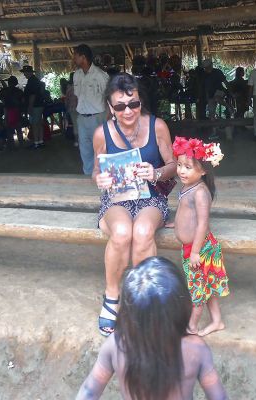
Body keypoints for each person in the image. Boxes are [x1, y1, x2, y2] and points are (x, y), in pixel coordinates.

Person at [76, 256, 229, 400]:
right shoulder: (195, 349)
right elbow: (219, 397)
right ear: (182, 306)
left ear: (128, 312)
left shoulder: (116, 344)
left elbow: (89, 392)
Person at [93, 72, 176, 336]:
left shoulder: (157, 126)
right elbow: (96, 170)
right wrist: (100, 178)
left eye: (134, 104)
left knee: (141, 232)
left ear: (141, 102)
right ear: (110, 107)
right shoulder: (101, 133)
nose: (128, 111)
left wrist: (156, 173)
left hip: (151, 197)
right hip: (116, 198)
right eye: (120, 106)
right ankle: (113, 296)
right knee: (121, 233)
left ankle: (143, 300)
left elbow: (174, 165)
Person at [172, 136, 230, 336]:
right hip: (192, 249)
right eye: (179, 165)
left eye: (188, 167)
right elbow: (186, 213)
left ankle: (191, 328)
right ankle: (217, 321)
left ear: (203, 170)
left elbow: (203, 223)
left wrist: (195, 251)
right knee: (206, 288)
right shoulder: (187, 186)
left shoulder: (200, 192)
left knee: (198, 293)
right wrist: (176, 224)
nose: (181, 170)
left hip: (200, 250)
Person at [73, 44, 109, 175]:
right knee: (85, 149)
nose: (74, 59)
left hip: (98, 117)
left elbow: (108, 97)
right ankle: (88, 176)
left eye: (75, 56)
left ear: (83, 57)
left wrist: (108, 118)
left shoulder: (100, 75)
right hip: (82, 118)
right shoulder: (76, 75)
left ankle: (104, 175)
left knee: (101, 148)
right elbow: (77, 96)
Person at [20, 65, 45, 149]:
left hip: (35, 105)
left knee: (34, 124)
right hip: (39, 104)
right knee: (38, 123)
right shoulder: (35, 80)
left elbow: (32, 95)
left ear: (29, 72)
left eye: (25, 72)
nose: (24, 74)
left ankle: (36, 143)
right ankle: (40, 141)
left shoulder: (32, 81)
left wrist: (30, 106)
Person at [0, 76, 25, 148]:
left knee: (9, 128)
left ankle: (11, 145)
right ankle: (21, 143)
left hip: (7, 110)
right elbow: (23, 103)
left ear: (8, 83)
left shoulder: (3, 91)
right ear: (16, 83)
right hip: (17, 110)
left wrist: (2, 104)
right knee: (18, 128)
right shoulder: (19, 91)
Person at [65, 72, 79, 146]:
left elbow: (67, 100)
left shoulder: (69, 88)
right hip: (81, 109)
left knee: (75, 125)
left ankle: (77, 141)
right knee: (81, 125)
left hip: (72, 109)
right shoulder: (81, 86)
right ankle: (82, 140)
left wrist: (67, 108)